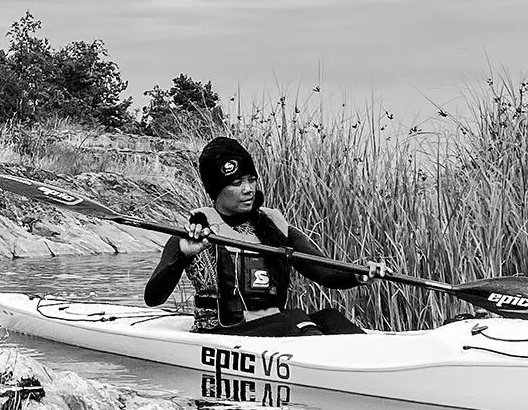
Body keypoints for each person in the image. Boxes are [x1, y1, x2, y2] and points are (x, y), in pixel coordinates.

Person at [144, 136, 390, 336]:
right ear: (216, 190)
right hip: (222, 335)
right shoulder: (194, 235)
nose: (248, 189)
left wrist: (358, 274)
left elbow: (324, 271)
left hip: (276, 331)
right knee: (293, 319)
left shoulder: (276, 228)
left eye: (251, 180)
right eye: (237, 182)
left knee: (329, 317)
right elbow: (153, 298)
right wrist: (182, 257)